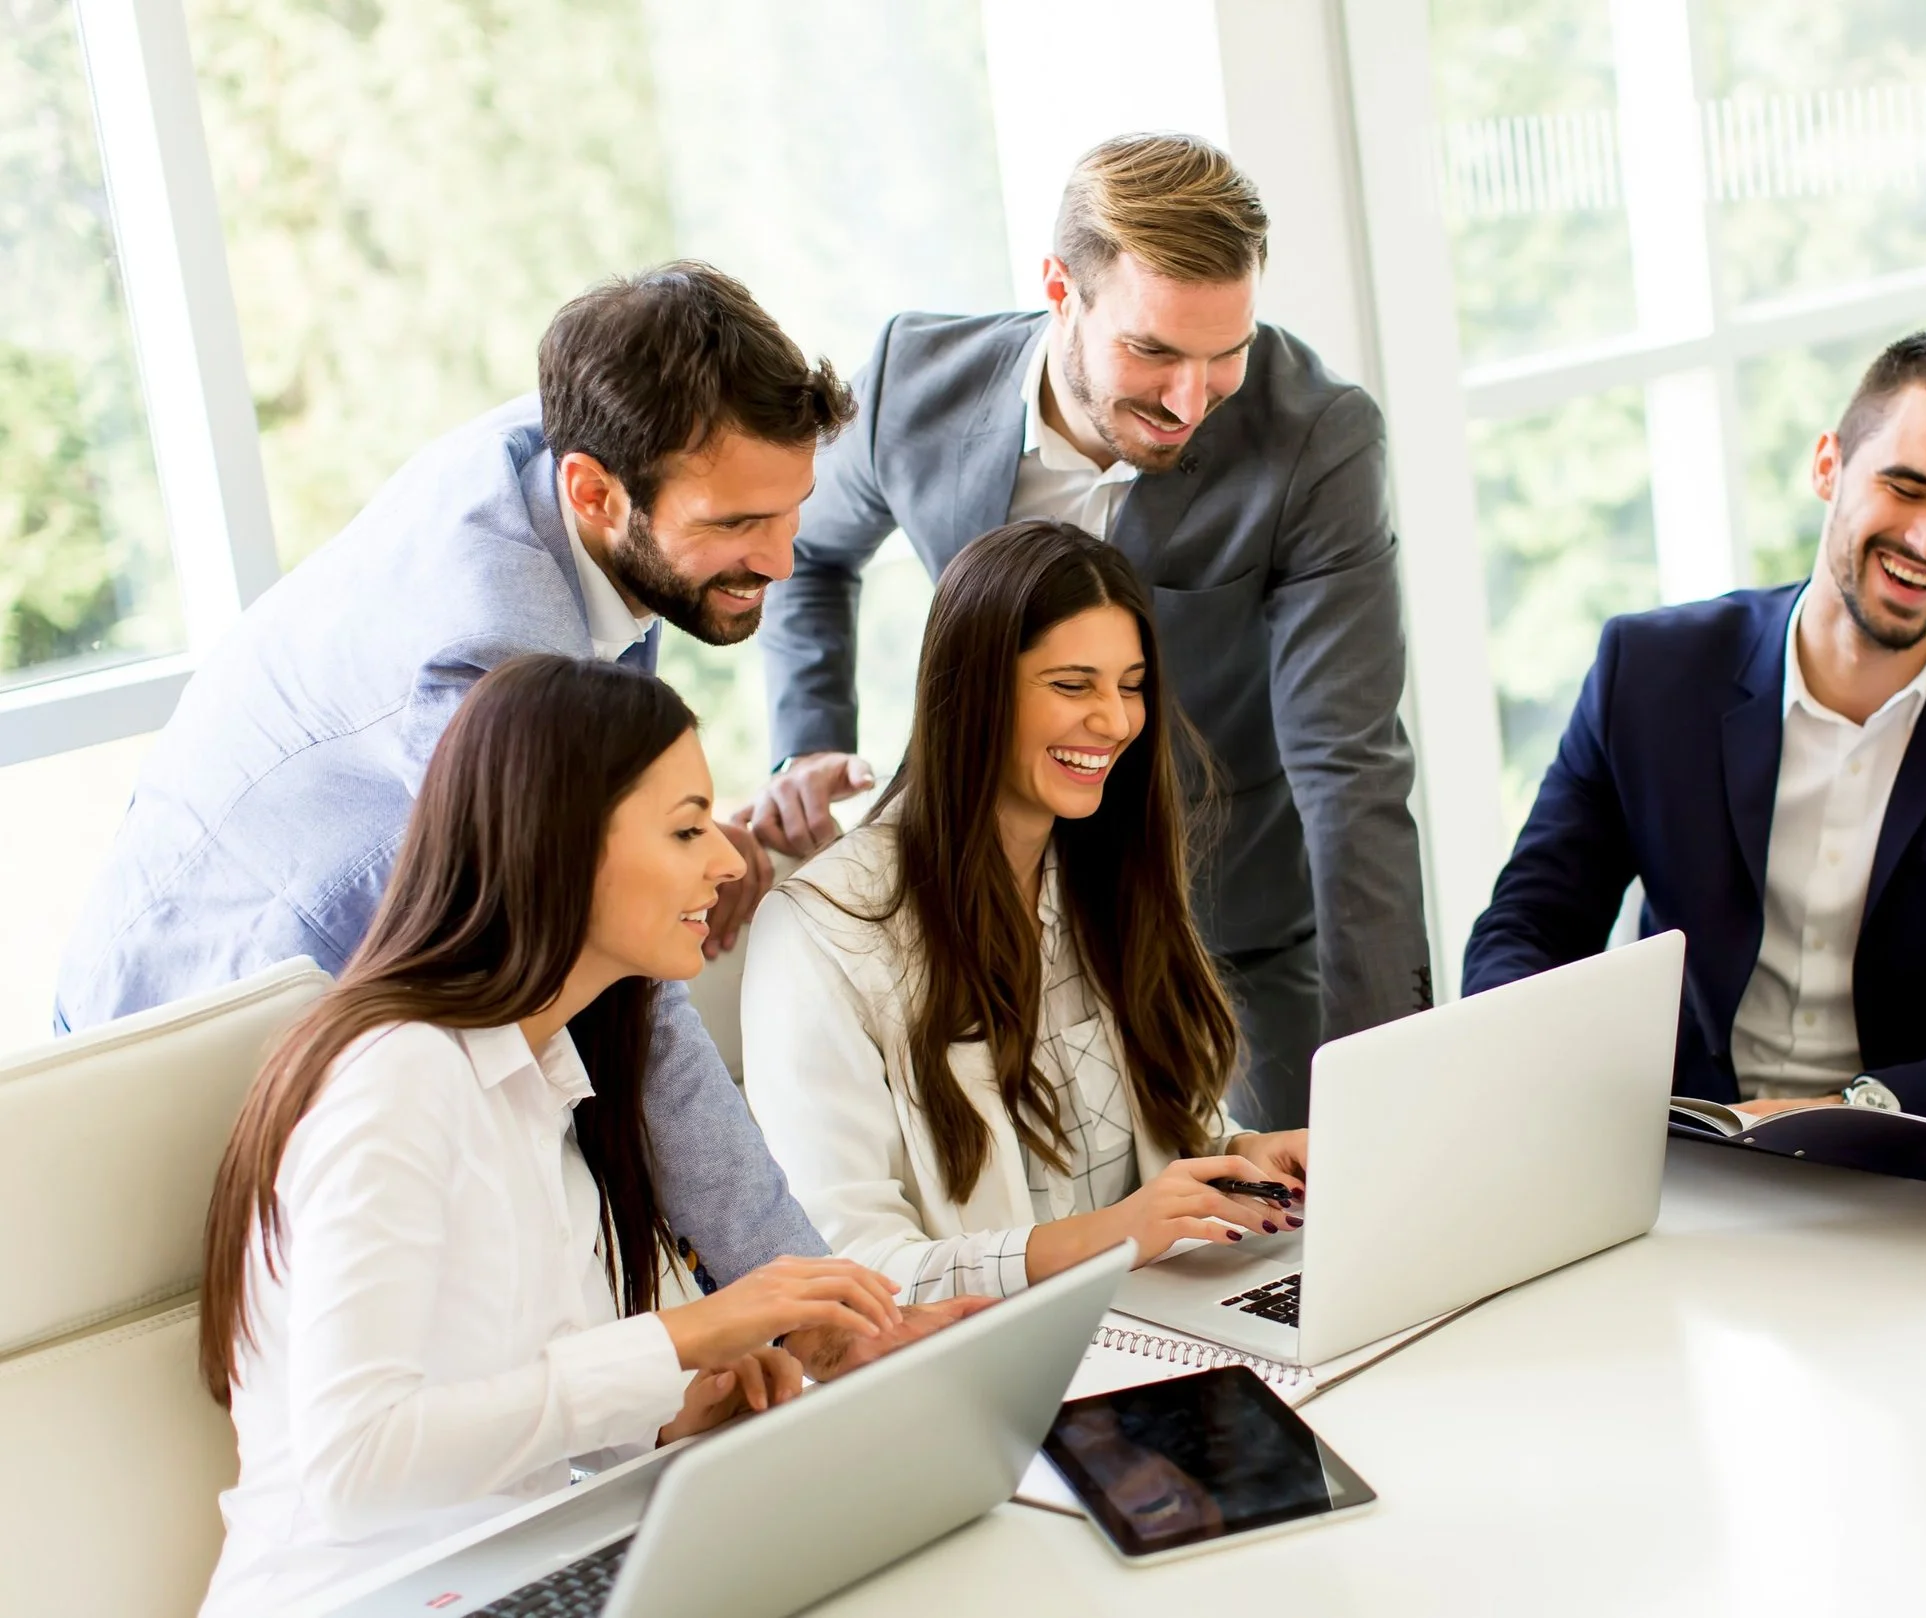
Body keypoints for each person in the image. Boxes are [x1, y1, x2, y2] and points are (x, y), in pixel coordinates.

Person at [60, 263, 840, 1301]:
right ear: (596, 495)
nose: (783, 560)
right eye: (738, 525)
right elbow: (627, 988)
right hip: (196, 1017)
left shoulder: (599, 438)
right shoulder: (485, 651)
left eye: (792, 512)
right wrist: (810, 1292)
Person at [194, 657, 980, 1617]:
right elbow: (355, 1462)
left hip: (513, 1573)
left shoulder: (550, 1080)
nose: (729, 862)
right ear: (559, 844)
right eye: (688, 829)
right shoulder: (396, 1081)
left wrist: (680, 1407)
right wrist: (681, 1337)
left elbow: (520, 1401)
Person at [750, 133, 1429, 1131]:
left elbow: (1349, 765)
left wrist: (1386, 1071)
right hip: (977, 916)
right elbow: (800, 549)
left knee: (1312, 1225)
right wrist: (809, 735)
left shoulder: (1316, 440)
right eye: (1152, 352)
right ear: (1060, 290)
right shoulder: (914, 383)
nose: (1189, 400)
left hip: (1224, 926)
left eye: (1225, 354)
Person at [1464, 330, 1926, 1133]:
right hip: (1685, 1146)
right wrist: (1543, 1086)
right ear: (1829, 465)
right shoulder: (1649, 674)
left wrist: (1850, 1112)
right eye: (1905, 488)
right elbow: (1530, 927)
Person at [742, 521, 1311, 1299]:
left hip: (1160, 1331)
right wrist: (1111, 1236)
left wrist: (1236, 1161)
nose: (1115, 721)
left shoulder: (1104, 872)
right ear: (973, 692)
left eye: (1132, 684)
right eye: (1073, 686)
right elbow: (851, 1273)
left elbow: (1122, 1173)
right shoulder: (821, 929)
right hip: (985, 1381)